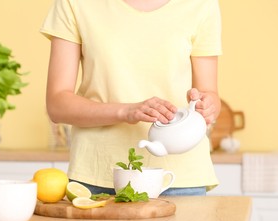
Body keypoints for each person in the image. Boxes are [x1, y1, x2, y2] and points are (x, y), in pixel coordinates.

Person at [40, 0, 222, 195]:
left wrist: (208, 105)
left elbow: (209, 93)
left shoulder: (202, 4)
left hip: (178, 176)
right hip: (99, 172)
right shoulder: (73, 3)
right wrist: (126, 111)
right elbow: (57, 104)